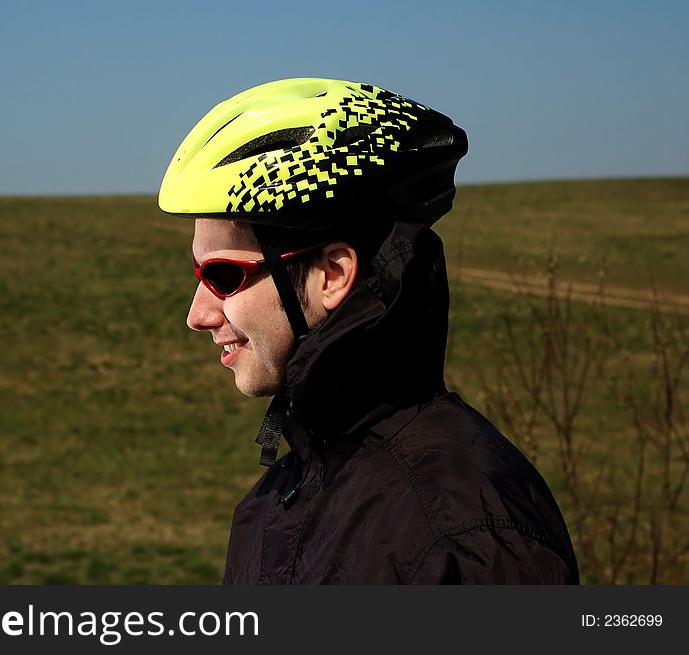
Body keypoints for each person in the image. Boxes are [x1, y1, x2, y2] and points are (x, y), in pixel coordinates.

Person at [158, 78, 580, 584]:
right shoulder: (272, 502)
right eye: (196, 273)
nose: (198, 314)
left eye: (223, 276)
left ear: (333, 274)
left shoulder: (465, 531)